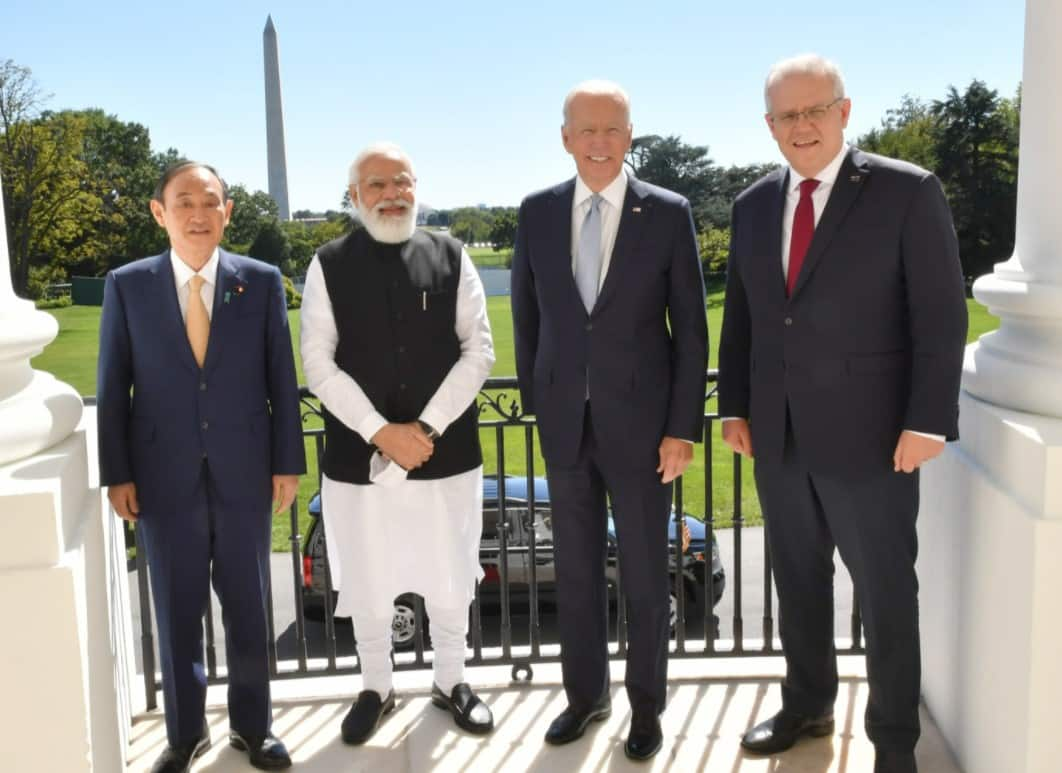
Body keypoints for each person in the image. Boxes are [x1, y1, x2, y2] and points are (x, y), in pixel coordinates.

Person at [718, 54, 968, 773]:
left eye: (814, 109)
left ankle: (894, 741)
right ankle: (807, 704)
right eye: (786, 115)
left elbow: (941, 315)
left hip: (876, 438)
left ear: (844, 111)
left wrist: (926, 421)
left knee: (886, 592)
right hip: (778, 435)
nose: (802, 126)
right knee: (796, 581)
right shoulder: (753, 204)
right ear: (770, 126)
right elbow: (746, 319)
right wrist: (735, 403)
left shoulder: (905, 191)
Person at [511, 81, 708, 761]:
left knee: (649, 577)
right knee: (575, 572)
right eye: (587, 129)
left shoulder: (668, 213)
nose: (600, 142)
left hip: (647, 431)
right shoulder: (536, 213)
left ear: (631, 137)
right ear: (565, 136)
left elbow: (692, 328)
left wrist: (682, 427)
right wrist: (540, 411)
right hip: (566, 427)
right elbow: (528, 321)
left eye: (613, 130)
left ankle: (645, 709)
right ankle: (585, 696)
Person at [97, 161, 306, 772]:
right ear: (160, 212)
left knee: (248, 609)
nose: (198, 213)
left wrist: (287, 464)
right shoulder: (128, 285)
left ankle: (254, 729)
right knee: (176, 609)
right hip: (162, 482)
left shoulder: (261, 282)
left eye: (209, 201)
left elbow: (281, 382)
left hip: (245, 476)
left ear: (227, 211)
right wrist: (118, 473)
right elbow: (114, 389)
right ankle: (185, 735)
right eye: (183, 201)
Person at [299, 142, 496, 745]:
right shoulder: (326, 262)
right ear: (354, 196)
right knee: (367, 573)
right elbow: (317, 362)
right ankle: (376, 686)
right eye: (377, 184)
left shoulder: (453, 255)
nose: (392, 194)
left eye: (402, 181)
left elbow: (479, 351)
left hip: (447, 454)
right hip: (359, 460)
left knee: (449, 572)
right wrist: (381, 432)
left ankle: (452, 680)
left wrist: (426, 429)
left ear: (416, 186)